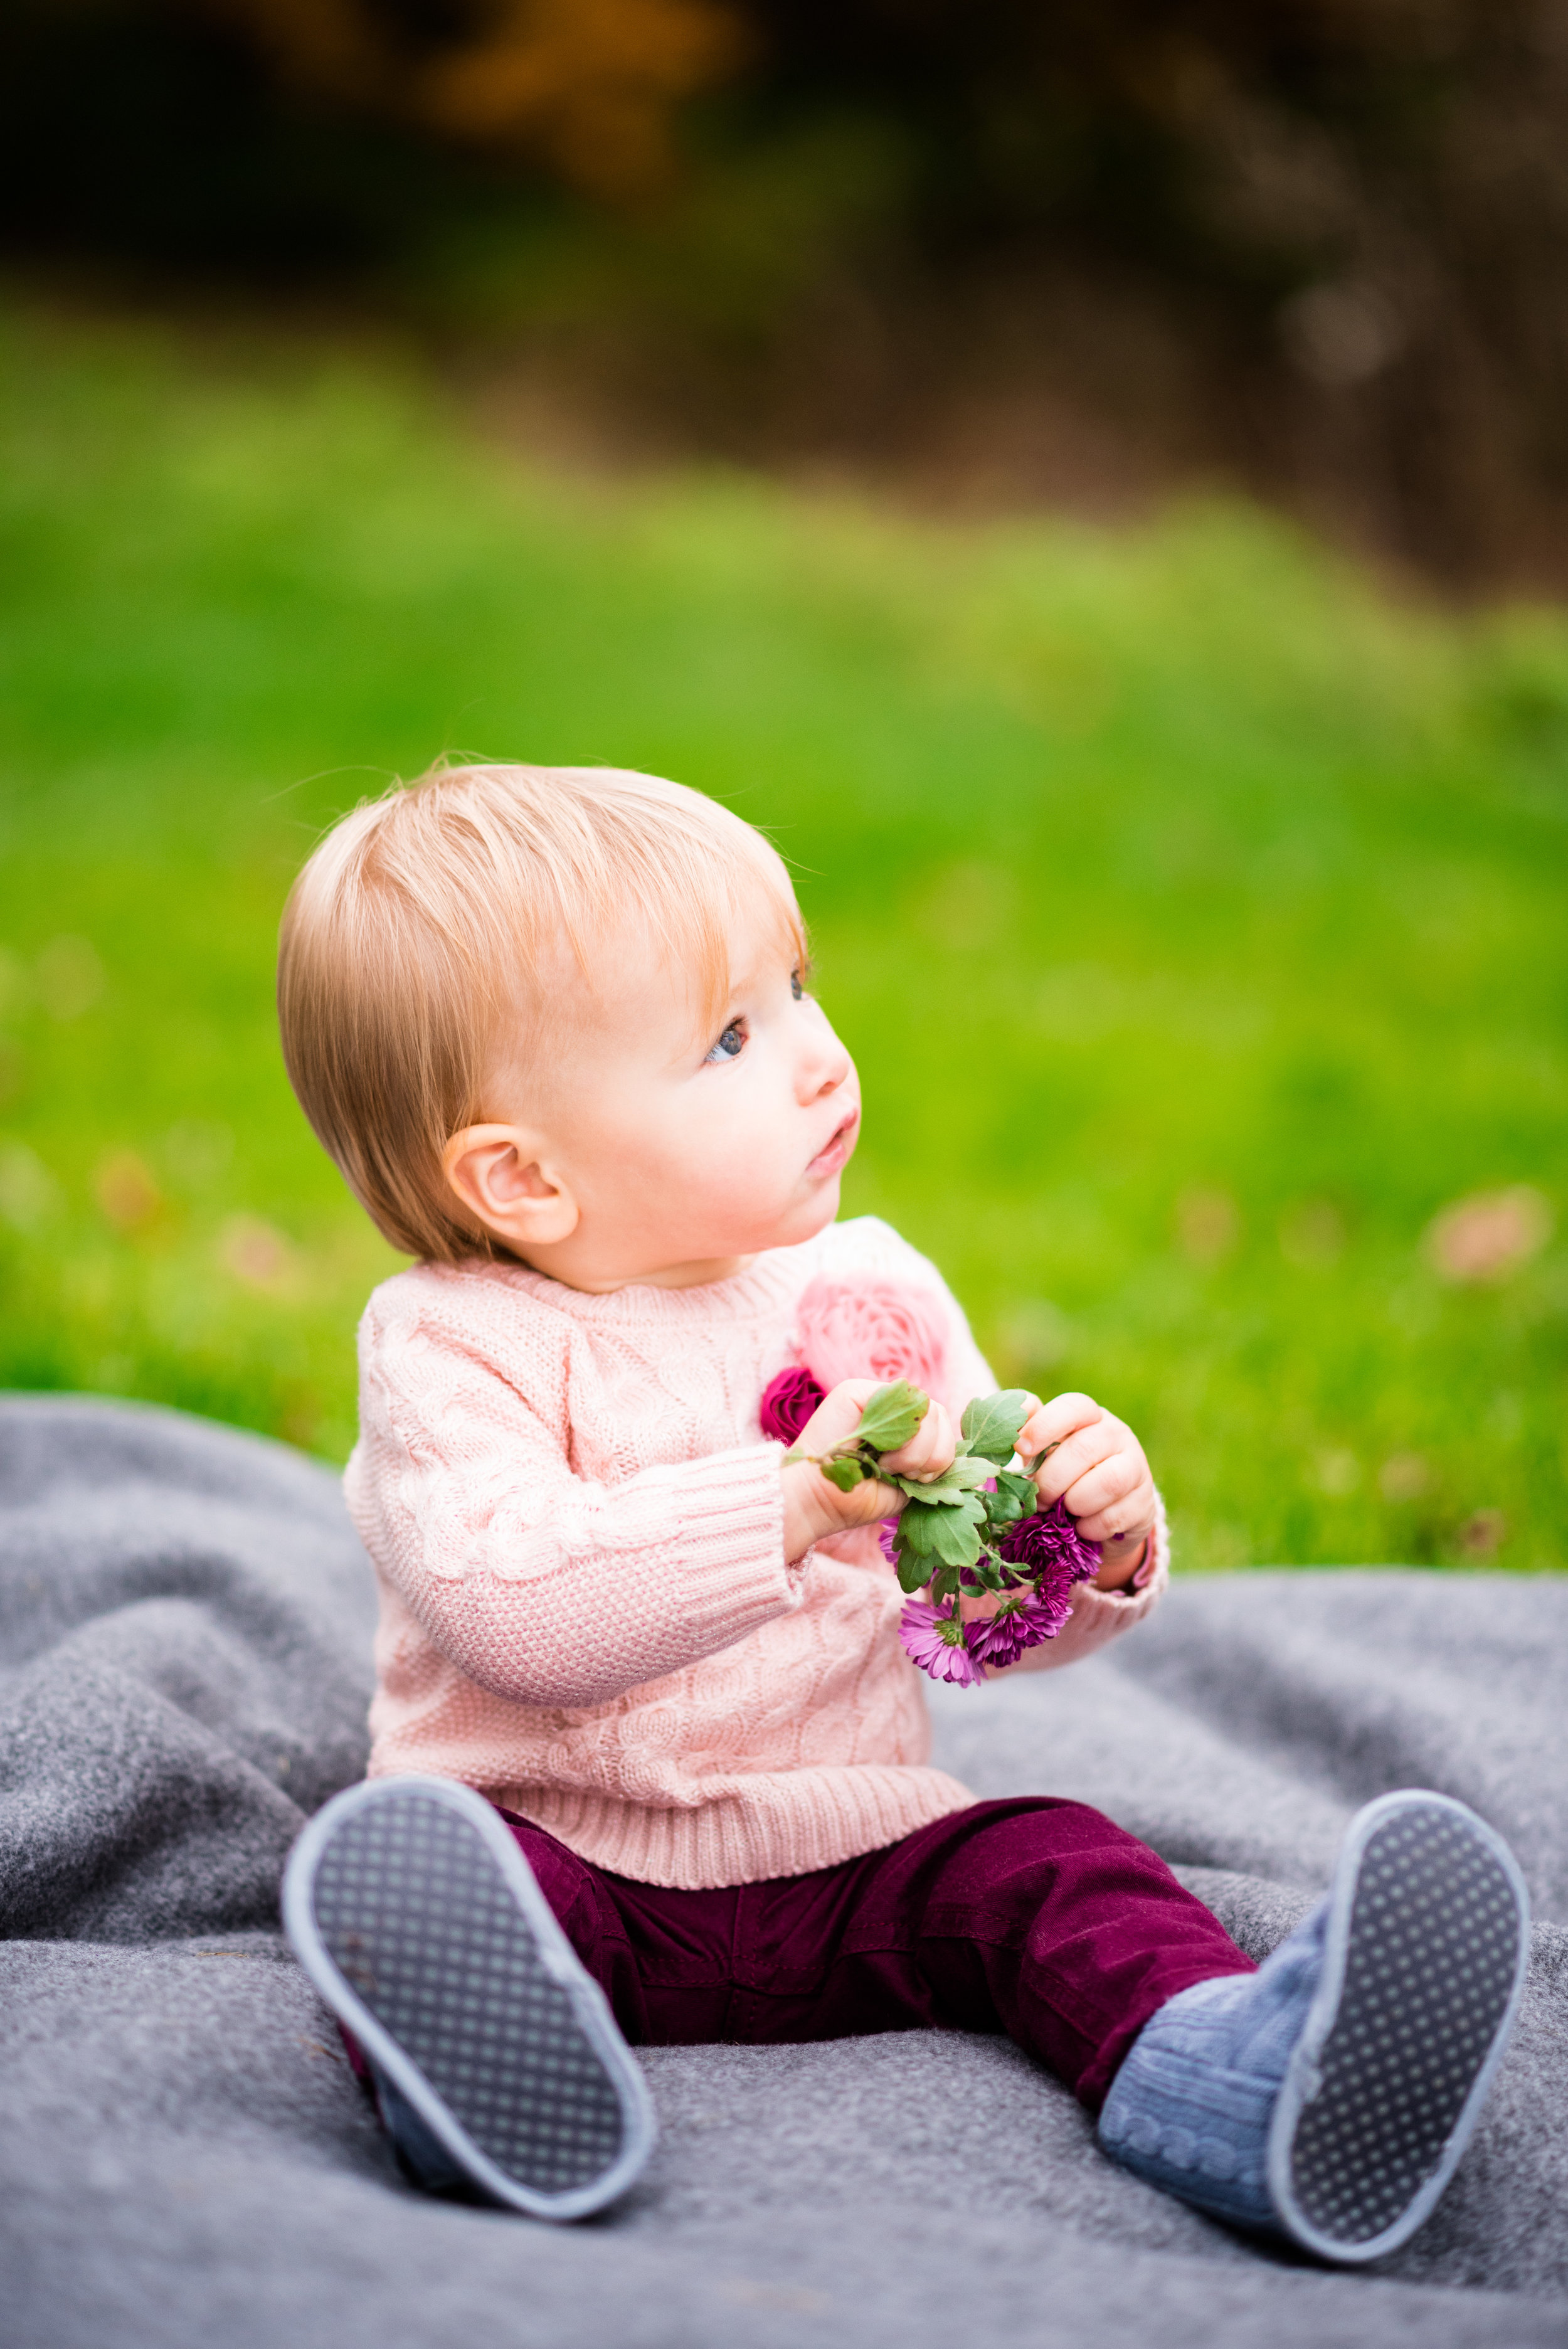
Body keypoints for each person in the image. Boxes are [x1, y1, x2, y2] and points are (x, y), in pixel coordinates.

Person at [275, 761, 1528, 2260]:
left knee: (1049, 1862)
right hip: (564, 1849)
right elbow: (513, 1607)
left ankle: (1235, 2083)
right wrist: (789, 1505)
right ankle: (481, 2077)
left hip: (851, 1853)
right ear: (521, 1177)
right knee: (440, 1877)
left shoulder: (865, 1291)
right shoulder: (448, 1343)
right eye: (730, 1037)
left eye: (797, 989)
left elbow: (969, 1612)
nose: (816, 1058)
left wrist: (1085, 1542)